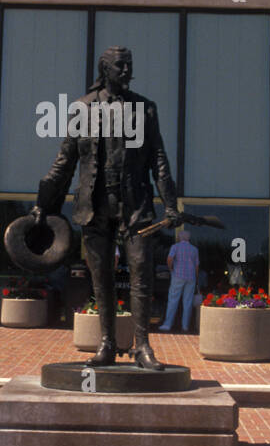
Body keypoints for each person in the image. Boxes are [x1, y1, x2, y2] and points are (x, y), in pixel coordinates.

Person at [33, 46, 180, 370]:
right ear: (105, 68)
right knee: (101, 277)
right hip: (94, 204)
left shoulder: (145, 109)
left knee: (142, 272)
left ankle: (142, 347)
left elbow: (159, 159)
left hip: (136, 204)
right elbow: (65, 162)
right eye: (120, 66)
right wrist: (42, 204)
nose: (126, 71)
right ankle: (106, 344)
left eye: (130, 65)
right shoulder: (81, 108)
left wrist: (171, 205)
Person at [158, 230, 199, 333]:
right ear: (188, 238)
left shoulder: (175, 247)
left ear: (180, 238)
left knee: (173, 300)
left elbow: (169, 259)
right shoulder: (194, 249)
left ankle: (168, 325)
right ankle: (185, 326)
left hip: (177, 275)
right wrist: (196, 277)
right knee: (188, 302)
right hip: (191, 277)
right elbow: (197, 265)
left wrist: (171, 268)